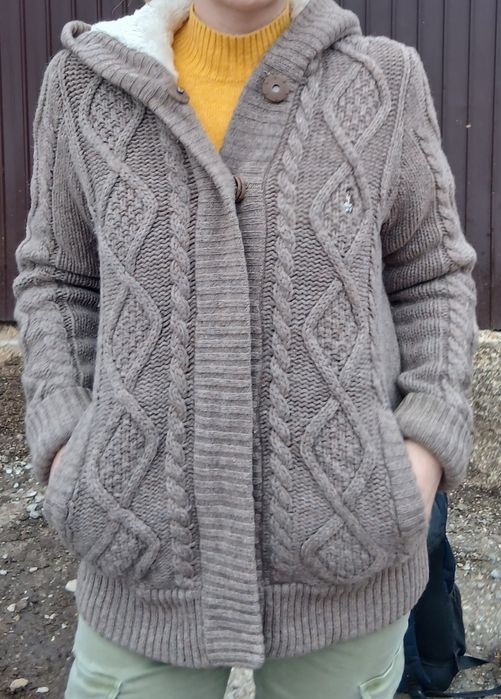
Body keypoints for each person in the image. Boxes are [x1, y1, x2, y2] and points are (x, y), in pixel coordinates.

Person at [12, 0, 480, 696]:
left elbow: (432, 275)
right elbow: (57, 278)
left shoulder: (384, 81)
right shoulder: (86, 84)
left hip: (345, 557)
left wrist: (423, 452)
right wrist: (64, 446)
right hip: (137, 555)